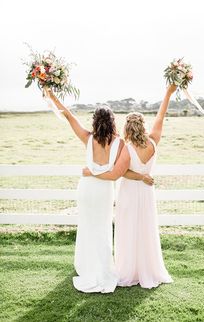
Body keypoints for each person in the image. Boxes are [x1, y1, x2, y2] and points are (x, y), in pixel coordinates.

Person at [83, 84, 176, 289]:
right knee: (146, 229)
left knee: (127, 231)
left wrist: (92, 171)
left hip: (129, 193)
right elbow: (161, 116)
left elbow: (119, 173)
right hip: (146, 193)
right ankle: (149, 269)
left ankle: (127, 271)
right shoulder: (153, 142)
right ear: (143, 126)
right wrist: (168, 93)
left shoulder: (126, 148)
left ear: (127, 127)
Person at [45, 89, 128, 293]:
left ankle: (89, 268)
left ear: (95, 120)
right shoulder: (120, 143)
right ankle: (102, 269)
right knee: (102, 229)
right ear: (112, 121)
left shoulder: (87, 138)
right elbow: (117, 172)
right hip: (104, 190)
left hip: (87, 188)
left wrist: (50, 94)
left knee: (88, 227)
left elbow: (68, 114)